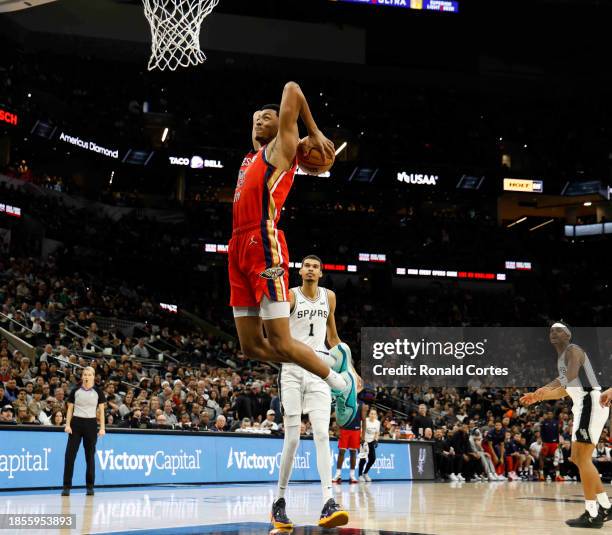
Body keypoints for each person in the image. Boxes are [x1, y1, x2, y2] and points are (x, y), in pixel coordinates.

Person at [228, 83, 358, 428]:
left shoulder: (284, 147)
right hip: (237, 246)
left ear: (284, 126)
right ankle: (322, 357)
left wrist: (313, 132)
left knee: (282, 342)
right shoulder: (254, 154)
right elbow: (258, 125)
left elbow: (292, 89)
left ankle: (340, 383)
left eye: (266, 117)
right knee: (252, 347)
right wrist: (260, 119)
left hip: (263, 240)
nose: (258, 120)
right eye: (256, 117)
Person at [271, 255, 349, 529]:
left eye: (316, 266)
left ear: (321, 272)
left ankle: (329, 501)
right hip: (292, 369)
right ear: (300, 271)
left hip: (318, 368)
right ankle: (279, 501)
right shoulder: (290, 296)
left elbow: (333, 338)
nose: (311, 269)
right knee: (292, 439)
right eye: (307, 266)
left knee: (321, 435)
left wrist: (350, 369)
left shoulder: (329, 297)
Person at [521, 322, 611, 527]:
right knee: (579, 458)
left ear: (568, 335)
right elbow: (565, 389)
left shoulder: (574, 350)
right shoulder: (562, 359)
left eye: (559, 330)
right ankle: (605, 506)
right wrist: (538, 397)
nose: (554, 333)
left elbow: (567, 379)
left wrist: (544, 388)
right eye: (551, 330)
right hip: (583, 405)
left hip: (590, 403)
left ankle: (592, 512)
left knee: (582, 457)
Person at [62, 367, 106, 497]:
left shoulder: (98, 392)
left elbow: (102, 411)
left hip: (91, 424)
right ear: (82, 377)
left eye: (89, 374)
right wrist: (67, 424)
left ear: (93, 376)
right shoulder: (75, 391)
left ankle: (90, 487)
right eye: (85, 374)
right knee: (69, 456)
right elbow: (70, 409)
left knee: (90, 457)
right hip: (76, 424)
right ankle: (66, 487)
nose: (87, 376)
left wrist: (102, 427)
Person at [333, 402, 367, 484]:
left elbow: (364, 420)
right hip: (344, 429)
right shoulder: (344, 401)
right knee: (341, 452)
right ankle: (338, 474)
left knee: (353, 452)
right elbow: (338, 415)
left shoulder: (361, 404)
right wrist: (337, 429)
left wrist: (363, 436)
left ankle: (352, 475)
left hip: (356, 430)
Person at [359, 407, 381, 482]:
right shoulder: (365, 421)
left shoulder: (377, 423)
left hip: (371, 441)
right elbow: (361, 431)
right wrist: (362, 440)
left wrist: (376, 440)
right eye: (371, 413)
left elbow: (377, 432)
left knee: (372, 459)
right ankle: (360, 475)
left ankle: (365, 473)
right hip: (363, 441)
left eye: (374, 414)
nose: (373, 415)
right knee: (363, 459)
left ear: (376, 415)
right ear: (369, 414)